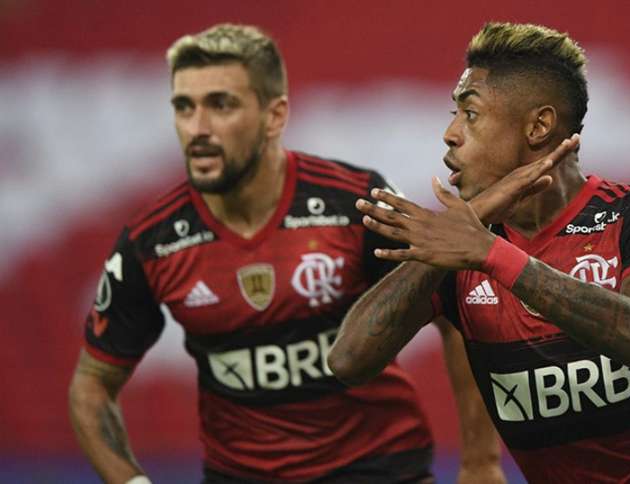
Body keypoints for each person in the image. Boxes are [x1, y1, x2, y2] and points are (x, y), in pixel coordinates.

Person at [329, 22, 630, 483]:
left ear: (538, 126)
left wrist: (491, 253)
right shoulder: (460, 250)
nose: (450, 133)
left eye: (471, 113)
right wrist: (456, 235)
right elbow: (349, 361)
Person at [67, 23, 506, 484]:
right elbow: (92, 385)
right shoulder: (153, 241)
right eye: (184, 107)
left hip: (379, 471)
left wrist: (481, 462)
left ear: (274, 116)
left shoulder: (352, 203)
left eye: (221, 105)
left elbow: (459, 317)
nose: (197, 128)